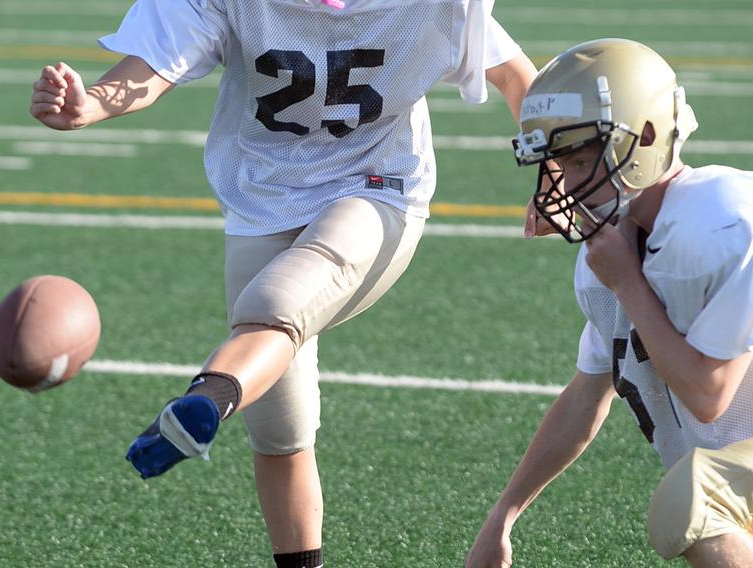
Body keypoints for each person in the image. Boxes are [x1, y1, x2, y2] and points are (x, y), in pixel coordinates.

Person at [30, 0, 536, 565]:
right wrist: (90, 103)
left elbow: (516, 77)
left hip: (378, 184)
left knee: (278, 302)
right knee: (279, 432)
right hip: (264, 197)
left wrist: (554, 163)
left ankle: (206, 398)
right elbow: (157, 62)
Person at [466, 38, 753, 568]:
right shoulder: (616, 250)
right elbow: (587, 394)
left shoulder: (734, 220)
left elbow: (709, 393)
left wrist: (630, 286)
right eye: (556, 161)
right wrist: (504, 515)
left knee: (694, 496)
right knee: (700, 495)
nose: (565, 181)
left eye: (577, 156)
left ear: (643, 137)